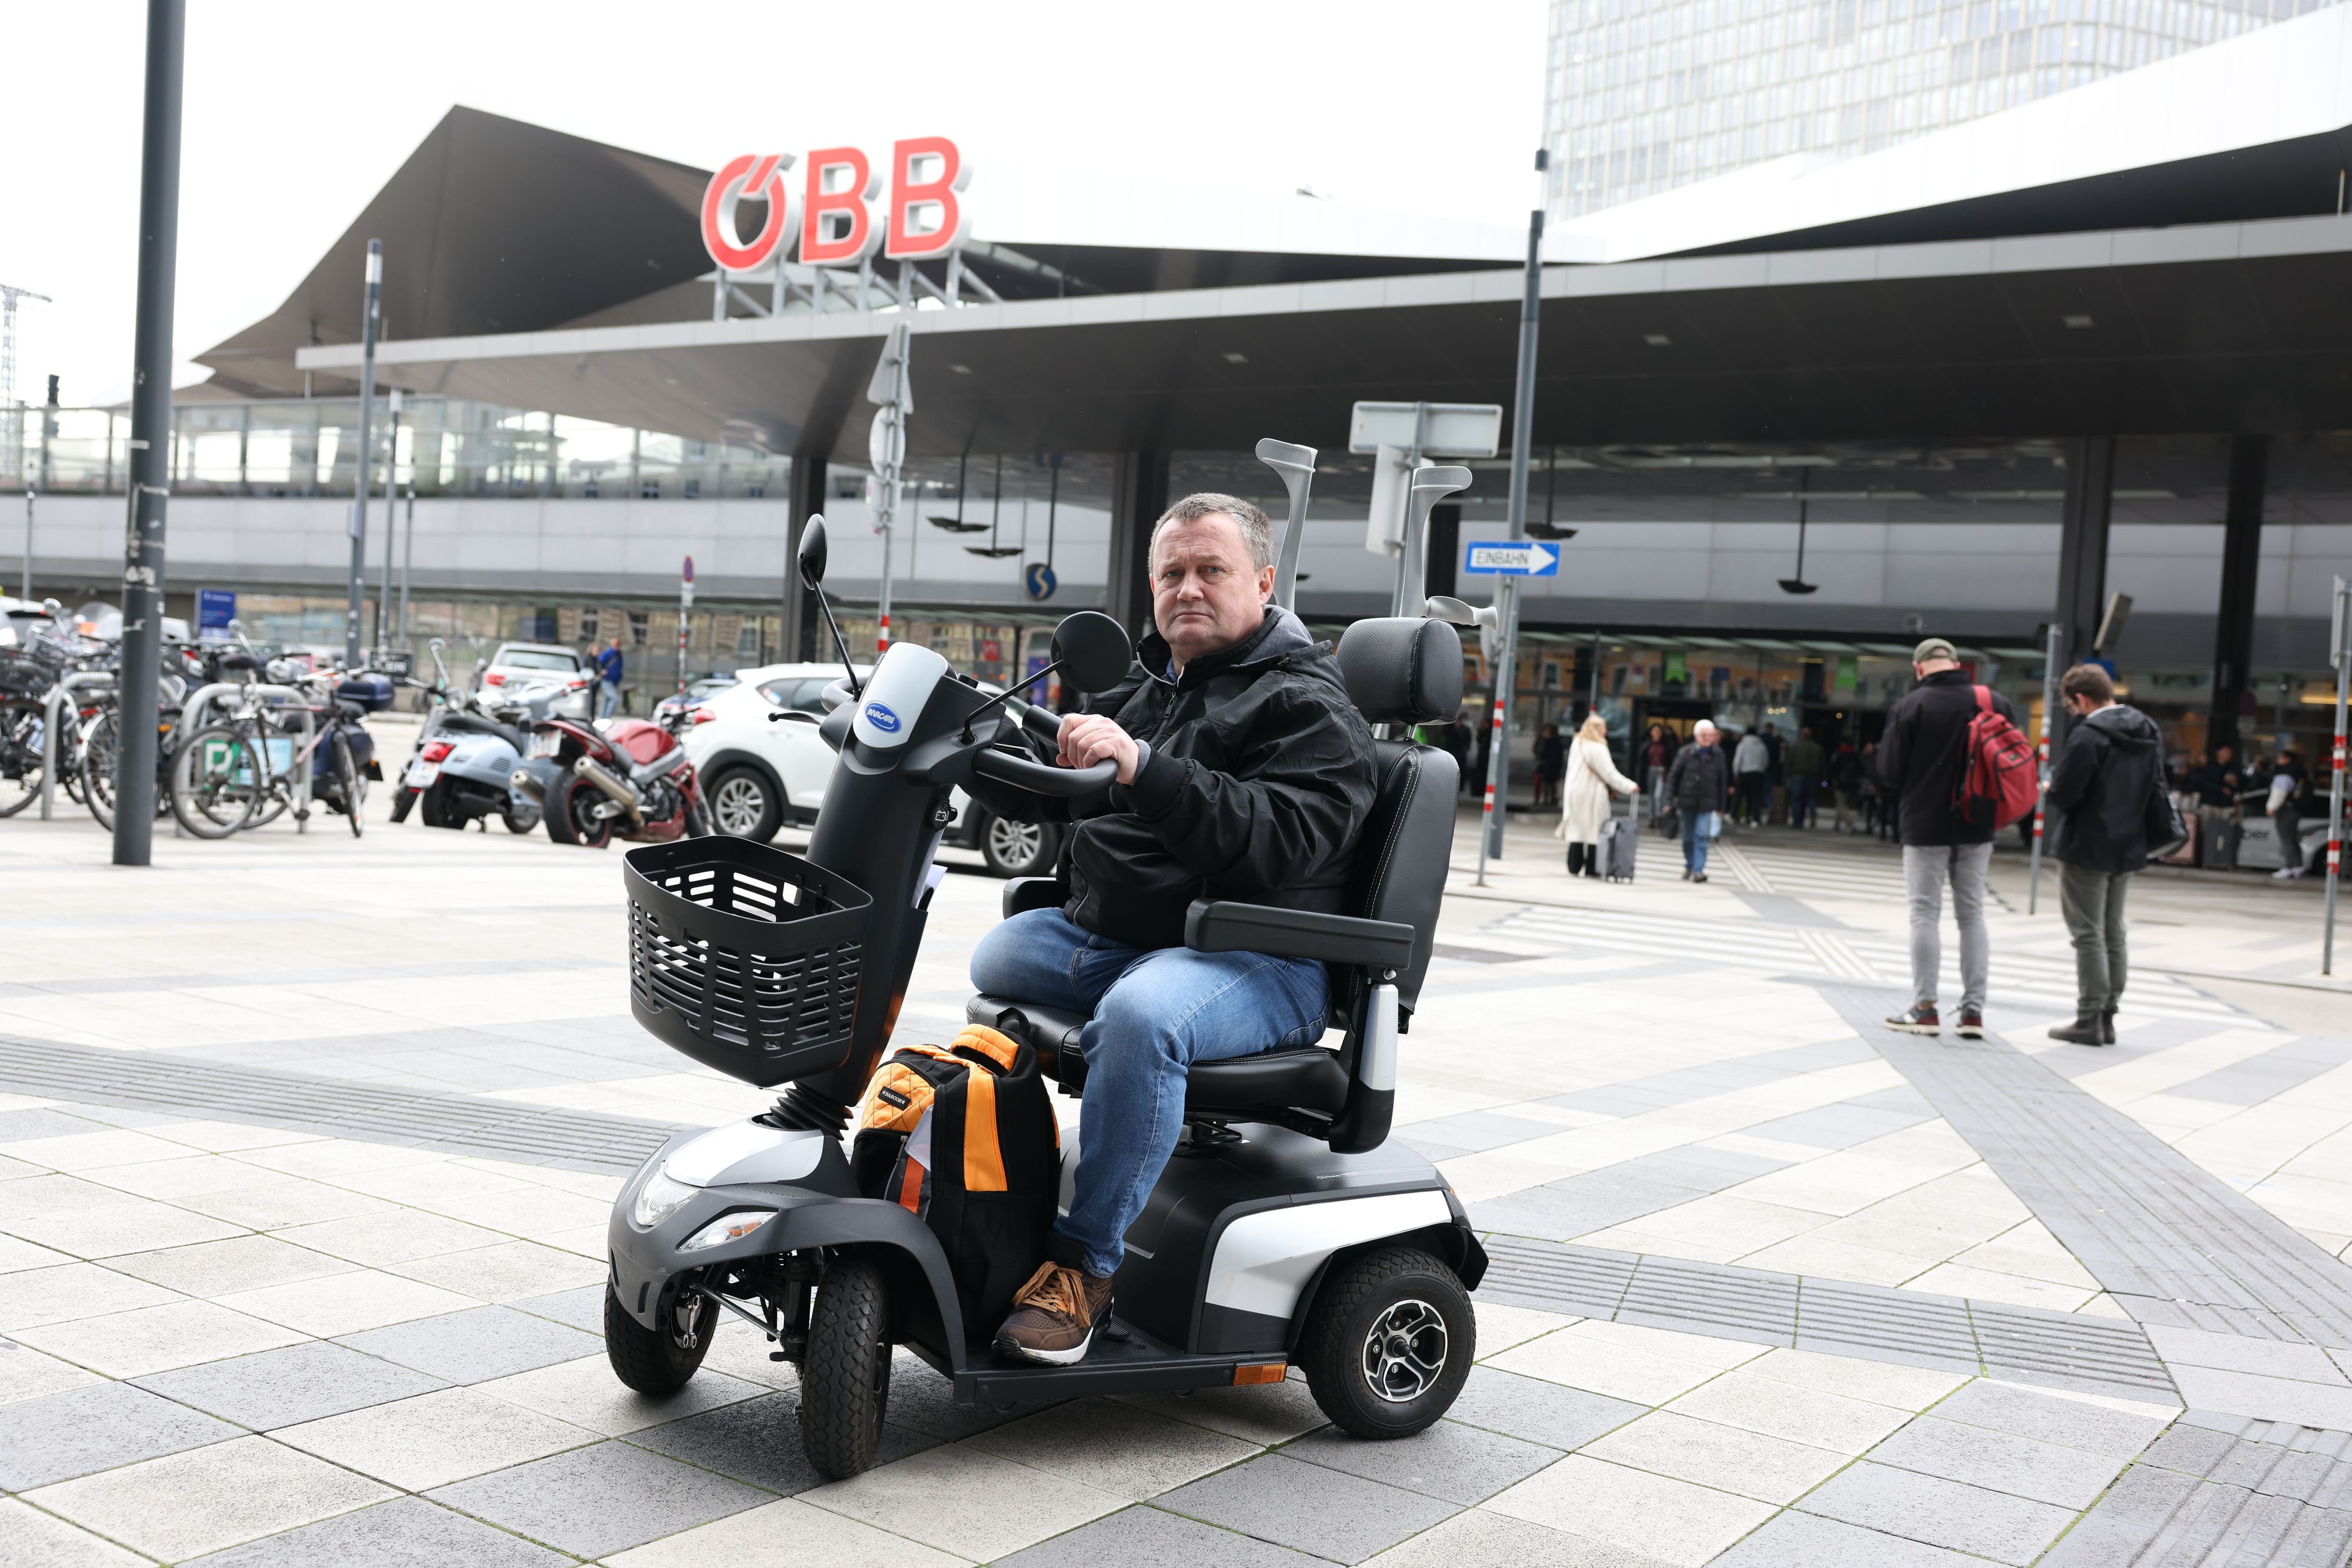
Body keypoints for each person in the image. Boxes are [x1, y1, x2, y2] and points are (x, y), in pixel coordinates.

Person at [963, 493, 1377, 1366]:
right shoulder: (1153, 684)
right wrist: (973, 750)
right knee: (997, 954)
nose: (1188, 588)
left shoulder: (1308, 700)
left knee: (1145, 1017)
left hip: (1262, 953)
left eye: (1211, 569)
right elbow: (1071, 790)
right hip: (1137, 941)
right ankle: (1004, 1200)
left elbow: (1280, 839)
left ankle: (1083, 1269)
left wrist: (1147, 768)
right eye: (1172, 572)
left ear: (1263, 581)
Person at [1877, 637, 2021, 1038]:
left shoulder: (1911, 706)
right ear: (1957, 664)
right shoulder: (1993, 701)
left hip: (1924, 826)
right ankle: (1973, 1011)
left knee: (1924, 913)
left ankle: (1925, 1009)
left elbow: (1888, 772)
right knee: (1972, 914)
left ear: (1919, 668)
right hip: (1978, 822)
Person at [2044, 663, 2164, 1045]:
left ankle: (2089, 1016)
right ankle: (2108, 1015)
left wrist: (2049, 784)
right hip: (2129, 843)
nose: (2073, 711)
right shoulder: (2147, 729)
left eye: (2071, 704)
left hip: (2087, 845)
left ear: (2081, 698)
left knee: (2087, 932)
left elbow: (2065, 795)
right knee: (2114, 929)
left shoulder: (2089, 736)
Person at [1558, 713, 1639, 877]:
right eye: (1604, 727)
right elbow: (1609, 773)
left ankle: (1574, 866)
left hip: (1574, 790)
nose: (1606, 731)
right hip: (1592, 792)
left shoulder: (1577, 743)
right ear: (1597, 729)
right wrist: (1629, 786)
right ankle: (1592, 868)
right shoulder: (1599, 747)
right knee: (1595, 830)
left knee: (1577, 829)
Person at [1666, 719, 1730, 881]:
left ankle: (1698, 870)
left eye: (1711, 735)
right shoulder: (1685, 752)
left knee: (1702, 835)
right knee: (1688, 837)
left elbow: (1723, 781)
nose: (1708, 738)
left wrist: (1722, 805)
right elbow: (1673, 777)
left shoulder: (1718, 754)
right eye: (1705, 735)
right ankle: (1690, 865)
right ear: (1696, 736)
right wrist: (1668, 801)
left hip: (1707, 803)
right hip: (1687, 801)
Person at [2190, 743, 2243, 869]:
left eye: (2230, 752)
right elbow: (2203, 783)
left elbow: (2243, 784)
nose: (2228, 754)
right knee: (2206, 832)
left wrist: (2234, 783)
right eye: (2225, 751)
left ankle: (2222, 860)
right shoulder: (2210, 766)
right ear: (2218, 752)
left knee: (2225, 834)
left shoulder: (2234, 768)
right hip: (2209, 803)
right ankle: (2201, 859)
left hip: (2226, 805)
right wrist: (2220, 789)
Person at [2267, 747, 2311, 879]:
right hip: (2296, 810)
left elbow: (2279, 792)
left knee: (2286, 839)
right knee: (2292, 839)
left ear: (2287, 759)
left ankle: (2288, 868)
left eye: (2280, 758)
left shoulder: (2285, 773)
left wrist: (2271, 807)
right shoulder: (2299, 772)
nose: (2278, 761)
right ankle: (2298, 867)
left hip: (2286, 810)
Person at [1785, 726, 1826, 829]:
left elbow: (1789, 762)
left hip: (1798, 775)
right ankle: (1812, 813)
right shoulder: (1817, 748)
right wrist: (1822, 777)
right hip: (1813, 776)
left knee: (1797, 799)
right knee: (1810, 797)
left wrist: (1786, 774)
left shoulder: (1796, 747)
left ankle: (1797, 821)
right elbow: (1822, 764)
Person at [1638, 722, 1676, 821]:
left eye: (1659, 731)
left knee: (1658, 795)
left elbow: (1670, 758)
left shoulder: (1666, 745)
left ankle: (1659, 816)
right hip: (1650, 770)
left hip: (1662, 770)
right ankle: (1651, 817)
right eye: (1655, 731)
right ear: (1651, 733)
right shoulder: (1647, 745)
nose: (1657, 733)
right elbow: (1642, 760)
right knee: (1651, 795)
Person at [1732, 728, 1770, 826]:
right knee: (1755, 797)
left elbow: (1738, 760)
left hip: (1744, 773)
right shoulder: (1762, 745)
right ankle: (1754, 818)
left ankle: (1733, 815)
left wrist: (1736, 773)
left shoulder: (1743, 744)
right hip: (1758, 774)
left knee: (1739, 796)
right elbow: (1765, 761)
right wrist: (1761, 769)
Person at [1829, 741, 1864, 833]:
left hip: (1840, 784)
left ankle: (1850, 824)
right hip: (1852, 785)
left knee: (1841, 805)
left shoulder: (1839, 755)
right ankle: (1836, 825)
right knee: (1841, 804)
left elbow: (1833, 769)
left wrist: (1829, 781)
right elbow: (1861, 770)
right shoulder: (1855, 756)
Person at [1534, 722, 1567, 809]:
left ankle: (1546, 800)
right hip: (1555, 766)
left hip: (1547, 766)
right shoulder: (1559, 742)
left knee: (1546, 783)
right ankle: (1552, 800)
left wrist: (1540, 756)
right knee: (1552, 784)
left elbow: (1543, 753)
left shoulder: (1548, 742)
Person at [594, 636, 624, 719]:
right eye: (616, 644)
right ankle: (607, 718)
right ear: (611, 645)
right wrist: (601, 672)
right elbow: (599, 664)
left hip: (614, 681)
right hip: (606, 680)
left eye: (618, 644)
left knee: (607, 700)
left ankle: (602, 718)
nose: (617, 646)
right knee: (614, 699)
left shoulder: (619, 655)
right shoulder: (608, 654)